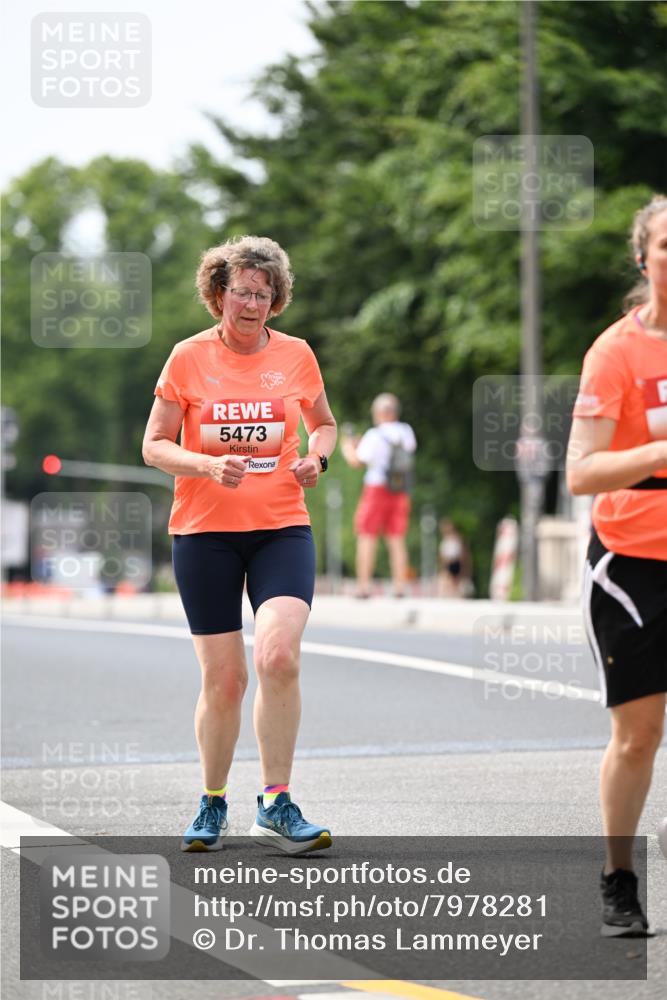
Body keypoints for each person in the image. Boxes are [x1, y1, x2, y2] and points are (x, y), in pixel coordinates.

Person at [142, 235, 337, 854]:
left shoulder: (298, 356)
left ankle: (276, 802)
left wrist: (317, 459)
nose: (251, 302)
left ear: (275, 300)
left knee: (278, 656)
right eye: (241, 290)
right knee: (224, 680)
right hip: (204, 535)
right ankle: (212, 802)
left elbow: (325, 424)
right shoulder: (187, 358)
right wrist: (204, 464)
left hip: (281, 526)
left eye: (263, 292)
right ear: (218, 294)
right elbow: (153, 445)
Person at [566, 195, 667, 936]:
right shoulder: (617, 352)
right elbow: (580, 471)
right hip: (633, 564)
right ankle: (617, 876)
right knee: (638, 735)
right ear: (645, 258)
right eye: (666, 246)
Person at [341, 393, 416, 598]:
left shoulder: (374, 435)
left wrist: (348, 447)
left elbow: (357, 461)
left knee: (367, 535)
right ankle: (400, 586)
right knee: (396, 537)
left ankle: (364, 586)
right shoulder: (406, 431)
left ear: (381, 413)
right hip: (399, 489)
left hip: (375, 488)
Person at [437, 519, 472, 598]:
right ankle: (449, 595)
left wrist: (464, 566)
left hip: (456, 562)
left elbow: (463, 553)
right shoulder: (445, 540)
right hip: (448, 563)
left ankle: (456, 596)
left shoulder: (458, 539)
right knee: (448, 580)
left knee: (456, 582)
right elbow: (442, 555)